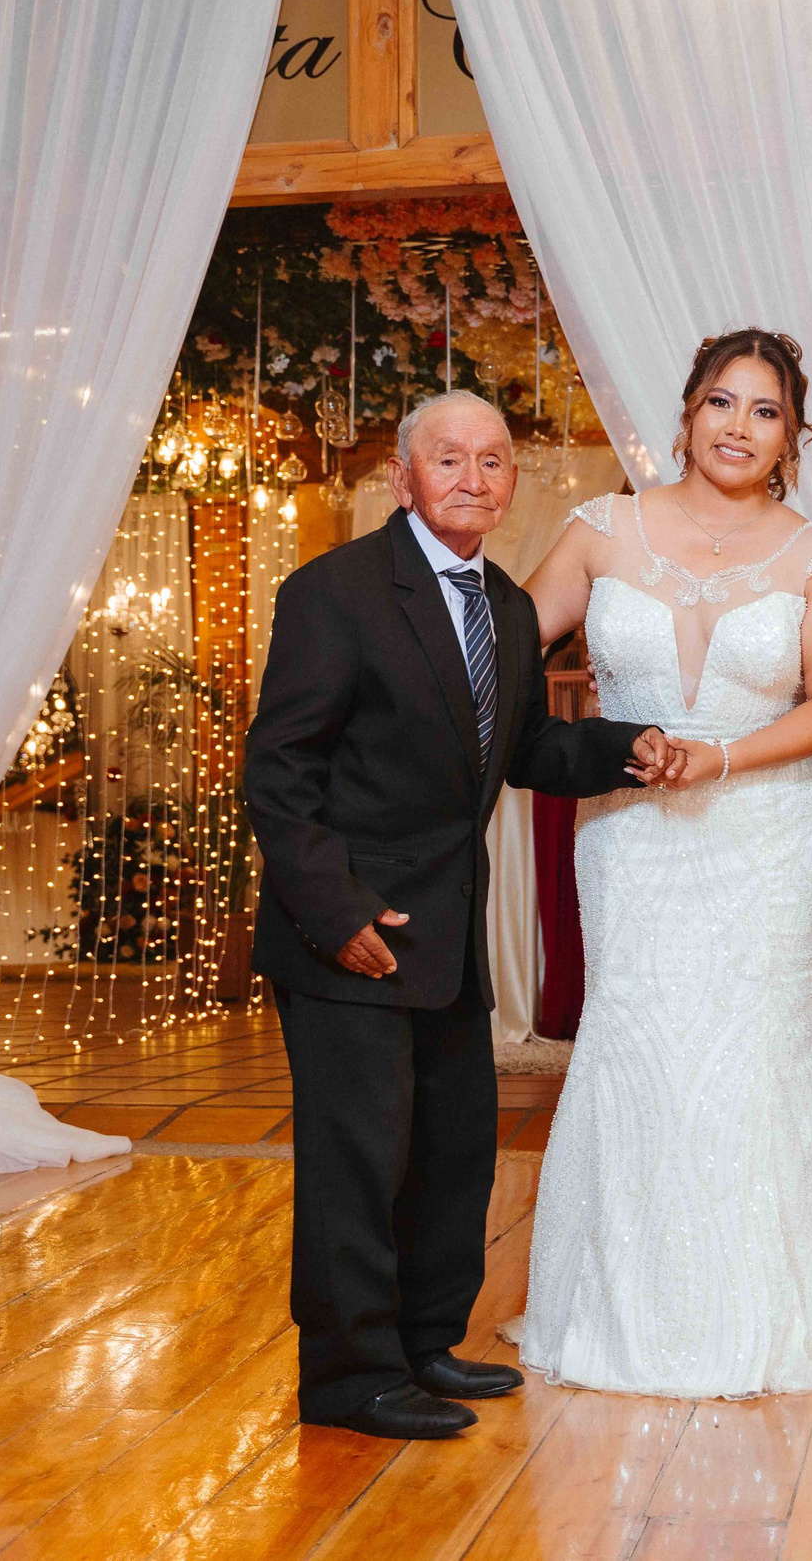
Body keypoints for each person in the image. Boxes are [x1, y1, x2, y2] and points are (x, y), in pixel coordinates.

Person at [244, 391, 675, 1442]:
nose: (473, 478)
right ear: (403, 476)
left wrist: (628, 747)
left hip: (447, 931)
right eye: (449, 459)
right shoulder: (333, 594)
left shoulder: (509, 609)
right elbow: (278, 769)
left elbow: (524, 750)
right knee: (358, 1159)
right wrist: (334, 909)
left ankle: (426, 1342)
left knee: (451, 1147)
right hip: (346, 930)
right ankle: (349, 1378)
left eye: (493, 461)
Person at [515, 328, 812, 1397]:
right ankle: (611, 1313)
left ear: (791, 437)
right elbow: (492, 656)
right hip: (629, 835)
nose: (738, 428)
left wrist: (718, 754)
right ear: (684, 414)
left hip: (766, 838)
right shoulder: (599, 530)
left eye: (764, 412)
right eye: (722, 403)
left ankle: (760, 1321)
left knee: (753, 1053)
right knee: (636, 1043)